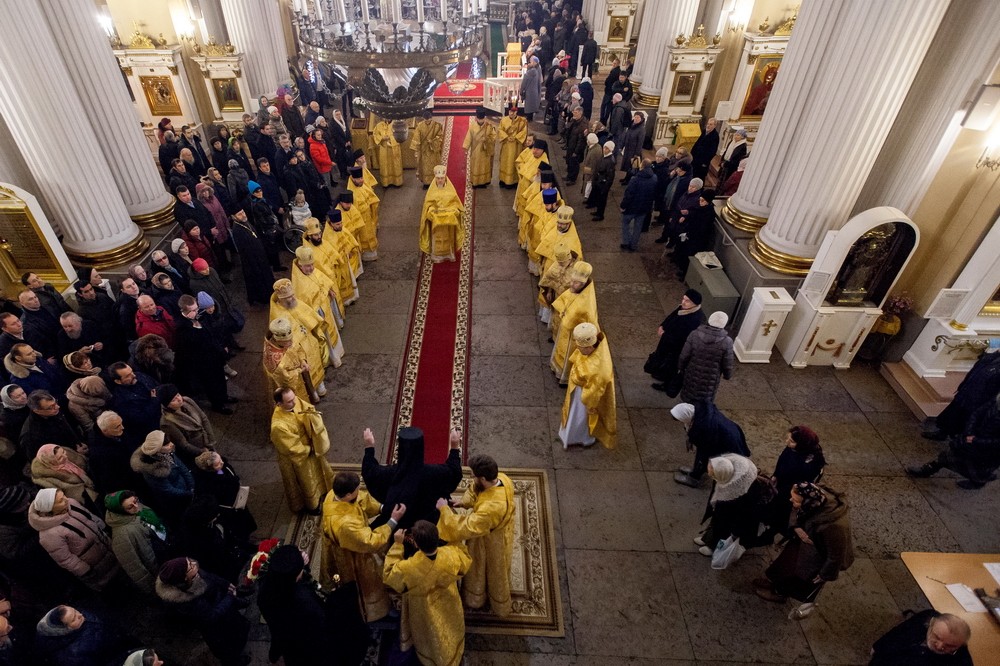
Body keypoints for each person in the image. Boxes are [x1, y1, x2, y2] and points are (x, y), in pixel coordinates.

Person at [754, 482, 854, 619]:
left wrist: (825, 574)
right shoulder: (814, 498)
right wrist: (796, 527)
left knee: (795, 576)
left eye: (795, 500)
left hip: (815, 558)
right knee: (784, 565)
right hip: (803, 546)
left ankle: (779, 593)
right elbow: (796, 511)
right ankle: (774, 582)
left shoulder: (834, 526)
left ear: (808, 502)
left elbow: (836, 555)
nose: (791, 500)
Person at [258, 544, 368, 666]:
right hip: (316, 650)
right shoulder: (305, 601)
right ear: (296, 576)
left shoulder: (265, 591)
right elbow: (326, 624)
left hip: (290, 644)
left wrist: (300, 565)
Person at [384, 520, 471, 666]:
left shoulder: (410, 567)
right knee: (449, 626)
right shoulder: (451, 554)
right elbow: (465, 560)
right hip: (448, 599)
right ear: (437, 537)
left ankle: (431, 656)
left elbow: (389, 575)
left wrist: (398, 545)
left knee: (430, 632)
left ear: (416, 545)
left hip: (423, 607)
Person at [437, 453, 515, 615]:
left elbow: (467, 527)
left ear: (483, 478)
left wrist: (444, 510)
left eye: (473, 475)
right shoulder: (502, 478)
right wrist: (464, 502)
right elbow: (476, 490)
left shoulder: (490, 509)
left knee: (487, 569)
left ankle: (478, 599)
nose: (471, 478)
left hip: (490, 542)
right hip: (491, 525)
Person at [321, 469, 404, 621]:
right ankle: (374, 612)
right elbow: (370, 541)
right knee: (369, 583)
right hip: (354, 555)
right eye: (356, 490)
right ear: (348, 495)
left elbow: (362, 500)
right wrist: (393, 521)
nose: (359, 491)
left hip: (355, 538)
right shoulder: (345, 525)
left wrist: (382, 508)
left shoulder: (333, 494)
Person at [155, 557, 251, 666]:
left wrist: (226, 584)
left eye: (189, 561)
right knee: (228, 649)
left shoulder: (192, 573)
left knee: (238, 631)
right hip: (217, 628)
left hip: (223, 608)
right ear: (184, 578)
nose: (194, 564)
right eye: (190, 566)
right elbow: (211, 616)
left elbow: (210, 577)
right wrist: (230, 598)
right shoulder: (185, 601)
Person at [362, 426, 463, 529]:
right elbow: (454, 472)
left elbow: (369, 472)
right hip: (428, 527)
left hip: (396, 524)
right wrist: (454, 447)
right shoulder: (435, 473)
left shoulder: (387, 474)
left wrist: (369, 447)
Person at [28, 488, 120, 590]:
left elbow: (89, 515)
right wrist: (85, 571)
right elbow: (66, 559)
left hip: (108, 548)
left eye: (64, 495)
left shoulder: (71, 503)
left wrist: (103, 529)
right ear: (50, 509)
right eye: (60, 500)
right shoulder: (48, 535)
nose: (66, 499)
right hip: (96, 567)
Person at [907, 393, 1000, 489]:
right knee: (949, 455)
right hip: (973, 438)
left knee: (976, 468)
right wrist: (970, 431)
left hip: (987, 450)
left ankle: (978, 481)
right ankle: (929, 469)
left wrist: (975, 440)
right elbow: (977, 413)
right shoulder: (996, 401)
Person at [270, 387, 334, 513]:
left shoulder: (295, 400)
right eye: (289, 401)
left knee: (318, 470)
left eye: (294, 398)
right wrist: (309, 449)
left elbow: (308, 409)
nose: (295, 402)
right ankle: (313, 505)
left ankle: (323, 490)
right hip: (297, 456)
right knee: (306, 480)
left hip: (310, 444)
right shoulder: (278, 425)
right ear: (279, 404)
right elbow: (290, 446)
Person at [558, 322, 617, 449]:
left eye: (580, 347)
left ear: (589, 347)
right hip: (581, 387)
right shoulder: (596, 346)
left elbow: (593, 393)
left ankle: (581, 438)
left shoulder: (598, 369)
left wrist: (589, 404)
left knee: (580, 416)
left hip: (584, 394)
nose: (578, 349)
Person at [696, 454, 768, 556]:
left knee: (723, 525)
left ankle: (713, 546)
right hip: (734, 506)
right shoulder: (731, 471)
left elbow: (735, 516)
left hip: (737, 515)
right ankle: (708, 539)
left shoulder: (739, 492)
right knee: (717, 520)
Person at [924, 347, 1000, 440]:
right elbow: (978, 367)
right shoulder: (993, 357)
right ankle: (942, 433)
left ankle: (957, 441)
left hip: (979, 399)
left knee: (966, 421)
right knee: (953, 414)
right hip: (968, 391)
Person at [764, 426, 826, 540]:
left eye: (791, 441)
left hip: (792, 490)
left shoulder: (812, 462)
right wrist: (776, 475)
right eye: (788, 438)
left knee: (781, 509)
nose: (787, 442)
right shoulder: (793, 448)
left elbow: (802, 483)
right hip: (782, 482)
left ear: (802, 444)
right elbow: (782, 459)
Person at [672, 401, 751, 487]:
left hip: (726, 445)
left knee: (703, 459)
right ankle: (695, 471)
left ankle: (694, 478)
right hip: (727, 437)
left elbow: (705, 450)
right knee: (703, 457)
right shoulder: (701, 412)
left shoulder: (704, 427)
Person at [104, 490, 167, 594]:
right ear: (120, 511)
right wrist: (154, 589)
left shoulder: (137, 508)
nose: (136, 506)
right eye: (130, 507)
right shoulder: (121, 536)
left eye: (136, 500)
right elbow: (135, 568)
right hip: (158, 569)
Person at [270, 278, 338, 371]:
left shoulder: (295, 303)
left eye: (292, 295)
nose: (293, 298)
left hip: (310, 338)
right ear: (281, 299)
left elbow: (309, 314)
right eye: (289, 297)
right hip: (298, 346)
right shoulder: (278, 315)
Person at [130, 430, 195, 526]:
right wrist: (188, 493)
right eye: (166, 444)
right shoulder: (151, 469)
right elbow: (167, 490)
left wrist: (191, 485)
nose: (171, 444)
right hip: (175, 500)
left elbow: (182, 468)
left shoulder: (167, 453)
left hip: (185, 490)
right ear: (157, 449)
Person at [646, 290, 705, 394]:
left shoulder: (694, 319)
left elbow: (681, 337)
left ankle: (666, 385)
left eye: (687, 301)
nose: (683, 302)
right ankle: (661, 374)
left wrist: (665, 335)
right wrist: (663, 325)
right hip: (667, 342)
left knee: (671, 366)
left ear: (695, 304)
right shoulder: (684, 309)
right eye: (683, 299)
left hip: (676, 348)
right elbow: (671, 316)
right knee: (664, 361)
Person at [550, 261, 598, 383]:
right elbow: (564, 300)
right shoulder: (574, 290)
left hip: (574, 335)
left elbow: (589, 321)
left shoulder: (587, 302)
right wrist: (563, 311)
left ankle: (564, 376)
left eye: (576, 282)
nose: (571, 284)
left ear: (583, 283)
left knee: (568, 355)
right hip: (565, 329)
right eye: (572, 280)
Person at [34, 605, 130, 666]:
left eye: (75, 611)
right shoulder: (73, 657)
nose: (80, 615)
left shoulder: (80, 617)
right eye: (73, 619)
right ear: (64, 629)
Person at [869, 610, 973, 665]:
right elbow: (898, 631)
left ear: (960, 645)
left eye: (950, 646)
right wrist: (878, 646)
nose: (939, 646)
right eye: (937, 637)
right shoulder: (925, 617)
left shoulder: (962, 661)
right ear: (931, 623)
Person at [262, 317, 325, 403]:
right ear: (277, 340)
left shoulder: (285, 339)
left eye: (290, 339)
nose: (290, 342)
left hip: (299, 371)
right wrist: (300, 370)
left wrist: (302, 360)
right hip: (291, 385)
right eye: (286, 341)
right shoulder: (276, 361)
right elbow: (285, 379)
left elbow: (297, 348)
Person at [677, 311, 734, 404]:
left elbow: (684, 355)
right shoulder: (727, 341)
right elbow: (728, 363)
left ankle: (685, 408)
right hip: (711, 376)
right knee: (705, 397)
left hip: (692, 370)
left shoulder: (694, 334)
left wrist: (681, 367)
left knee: (689, 390)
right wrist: (727, 375)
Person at [88, 411, 142, 496]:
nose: (122, 427)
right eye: (117, 427)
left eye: (121, 423)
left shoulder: (117, 432)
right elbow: (110, 479)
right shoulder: (100, 453)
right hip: (129, 485)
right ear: (105, 430)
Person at [419, 165, 466, 263]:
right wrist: (432, 211)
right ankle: (436, 256)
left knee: (448, 238)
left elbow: (456, 205)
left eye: (442, 178)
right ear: (435, 178)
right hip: (436, 223)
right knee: (437, 238)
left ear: (445, 178)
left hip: (448, 222)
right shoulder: (431, 191)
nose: (440, 180)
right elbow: (428, 206)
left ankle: (449, 254)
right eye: (438, 178)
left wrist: (452, 211)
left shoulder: (450, 190)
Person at [30, 444, 98, 508]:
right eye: (60, 458)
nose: (65, 456)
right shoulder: (47, 479)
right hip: (83, 501)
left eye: (63, 452)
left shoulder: (71, 457)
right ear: (51, 461)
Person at [107, 362, 161, 436]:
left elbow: (158, 386)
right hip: (154, 428)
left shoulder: (140, 376)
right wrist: (154, 400)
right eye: (127, 376)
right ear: (118, 381)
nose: (134, 375)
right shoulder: (120, 400)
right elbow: (142, 419)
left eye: (132, 371)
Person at [619, 158, 657, 252]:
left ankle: (626, 242)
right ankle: (633, 245)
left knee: (625, 223)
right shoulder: (654, 178)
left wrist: (623, 206)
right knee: (638, 227)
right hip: (644, 208)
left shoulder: (635, 179)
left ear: (642, 166)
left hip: (632, 207)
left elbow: (628, 195)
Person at [347, 166, 381, 261]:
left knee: (370, 234)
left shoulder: (362, 186)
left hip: (368, 217)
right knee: (364, 237)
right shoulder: (351, 194)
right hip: (360, 221)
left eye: (361, 178)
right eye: (358, 179)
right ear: (353, 179)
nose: (361, 180)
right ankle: (365, 255)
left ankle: (371, 252)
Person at [464, 107, 498, 188]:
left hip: (485, 150)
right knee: (475, 166)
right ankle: (475, 182)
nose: (480, 121)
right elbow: (469, 137)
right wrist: (466, 148)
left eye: (482, 119)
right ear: (476, 118)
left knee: (484, 166)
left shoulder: (489, 126)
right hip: (475, 151)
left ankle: (484, 182)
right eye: (479, 119)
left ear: (484, 118)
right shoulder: (472, 126)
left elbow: (494, 137)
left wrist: (487, 139)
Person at [498, 106, 528, 189]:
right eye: (510, 111)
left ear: (516, 112)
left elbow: (524, 132)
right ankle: (503, 180)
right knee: (505, 161)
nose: (512, 113)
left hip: (516, 145)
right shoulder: (504, 120)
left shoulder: (522, 121)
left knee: (514, 161)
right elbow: (500, 130)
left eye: (514, 112)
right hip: (506, 145)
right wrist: (506, 137)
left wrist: (516, 137)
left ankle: (514, 181)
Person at [371, 117, 403, 187]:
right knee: (384, 163)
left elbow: (400, 135)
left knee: (395, 164)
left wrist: (390, 138)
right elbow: (375, 134)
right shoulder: (379, 125)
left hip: (394, 148)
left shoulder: (396, 125)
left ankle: (396, 182)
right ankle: (386, 182)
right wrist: (382, 138)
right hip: (384, 148)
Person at [589, 141, 616, 221]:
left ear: (610, 150)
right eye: (604, 147)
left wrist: (606, 187)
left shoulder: (610, 161)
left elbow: (610, 176)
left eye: (606, 148)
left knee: (602, 200)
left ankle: (600, 215)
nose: (604, 149)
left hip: (603, 184)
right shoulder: (604, 157)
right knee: (599, 198)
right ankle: (598, 212)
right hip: (599, 182)